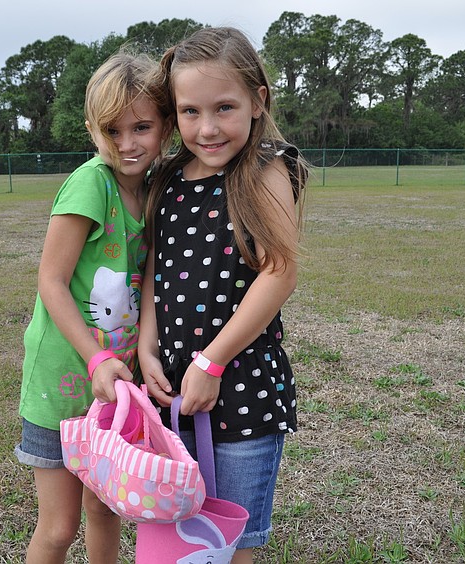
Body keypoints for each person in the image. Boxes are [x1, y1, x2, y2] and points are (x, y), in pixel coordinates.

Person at [137, 27, 307, 564]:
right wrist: (146, 346)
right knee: (177, 534)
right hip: (169, 391)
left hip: (243, 390)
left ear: (258, 100)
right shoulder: (166, 177)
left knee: (231, 542)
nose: (207, 128)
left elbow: (278, 272)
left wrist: (212, 362)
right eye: (190, 111)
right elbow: (154, 270)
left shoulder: (268, 167)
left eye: (225, 107)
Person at [15, 51, 173, 564]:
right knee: (59, 528)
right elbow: (52, 280)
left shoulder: (153, 190)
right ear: (91, 129)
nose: (128, 144)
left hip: (115, 389)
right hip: (62, 384)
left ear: (165, 125)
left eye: (142, 126)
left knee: (106, 511)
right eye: (112, 130)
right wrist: (95, 356)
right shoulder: (90, 183)